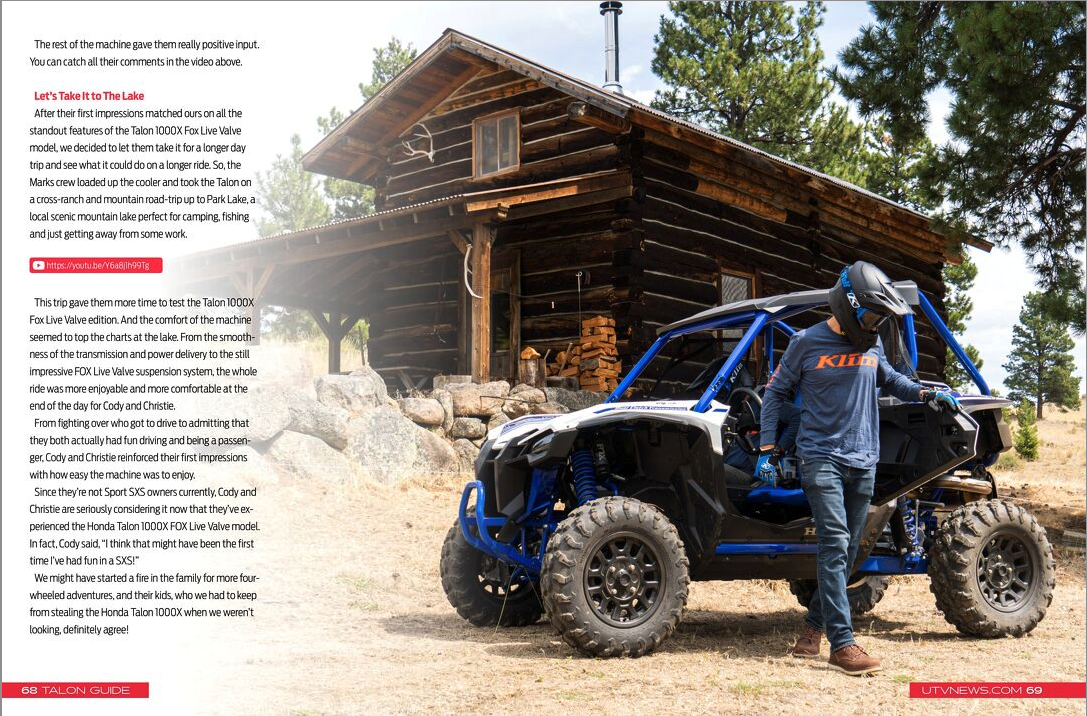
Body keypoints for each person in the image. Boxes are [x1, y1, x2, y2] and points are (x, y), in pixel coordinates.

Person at [756, 262, 958, 676]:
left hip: (864, 459)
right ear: (848, 306)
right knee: (834, 545)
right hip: (821, 459)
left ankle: (812, 630)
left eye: (881, 318)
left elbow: (890, 379)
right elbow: (775, 393)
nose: (875, 323)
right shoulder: (806, 343)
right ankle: (842, 645)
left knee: (849, 552)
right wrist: (767, 448)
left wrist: (926, 393)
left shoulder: (872, 344)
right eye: (870, 315)